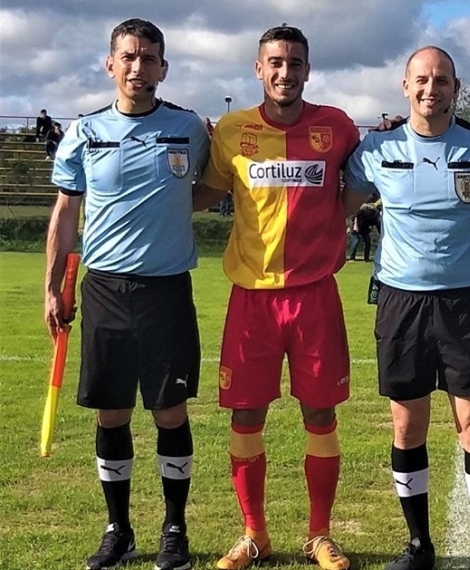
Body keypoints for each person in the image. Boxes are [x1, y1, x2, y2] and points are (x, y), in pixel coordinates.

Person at [343, 46, 470, 570]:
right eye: (421, 79)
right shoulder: (375, 149)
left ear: (455, 88)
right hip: (400, 303)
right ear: (405, 86)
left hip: (463, 304)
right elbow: (334, 209)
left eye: (441, 80)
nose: (431, 88)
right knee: (407, 429)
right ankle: (418, 545)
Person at [44, 18, 210, 570]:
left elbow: (210, 186)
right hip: (106, 292)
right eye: (129, 57)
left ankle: (174, 529)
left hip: (167, 291)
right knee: (111, 414)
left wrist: (168, 211)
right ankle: (118, 530)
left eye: (149, 58)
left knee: (170, 413)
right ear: (110, 64)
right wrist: (52, 288)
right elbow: (66, 214)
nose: (139, 68)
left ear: (164, 68)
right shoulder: (84, 132)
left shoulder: (189, 128)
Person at [195, 25, 360, 570]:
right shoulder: (232, 130)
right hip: (252, 297)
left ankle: (319, 535)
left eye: (294, 63)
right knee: (246, 414)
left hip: (315, 295)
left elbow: (360, 185)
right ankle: (254, 535)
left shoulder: (337, 127)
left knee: (320, 412)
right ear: (258, 68)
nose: (285, 72)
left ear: (307, 70)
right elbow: (206, 193)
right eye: (275, 63)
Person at [348, 194, 380, 261]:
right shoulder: (362, 208)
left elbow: (373, 220)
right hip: (357, 224)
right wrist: (355, 225)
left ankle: (366, 258)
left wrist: (370, 227)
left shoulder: (373, 211)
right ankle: (351, 258)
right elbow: (356, 215)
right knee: (355, 241)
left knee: (367, 241)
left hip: (364, 226)